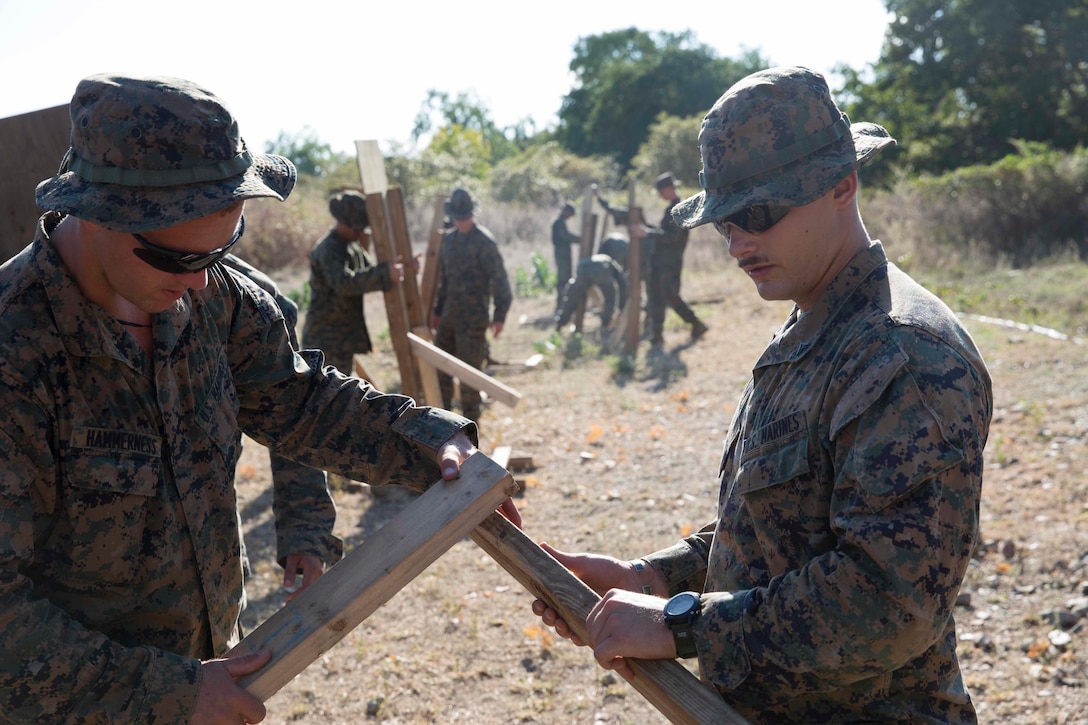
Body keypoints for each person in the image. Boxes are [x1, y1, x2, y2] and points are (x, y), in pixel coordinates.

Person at [0, 72, 519, 724]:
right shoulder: (16, 348)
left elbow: (302, 404)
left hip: (210, 666)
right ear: (99, 212)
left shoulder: (219, 296)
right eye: (175, 258)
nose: (197, 283)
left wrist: (430, 442)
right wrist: (169, 692)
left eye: (220, 249)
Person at [531, 66, 992, 724]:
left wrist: (681, 625)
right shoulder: (814, 322)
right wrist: (655, 578)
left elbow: (890, 603)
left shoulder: (906, 355)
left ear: (843, 183)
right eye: (724, 222)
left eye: (761, 212)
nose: (739, 241)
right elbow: (787, 522)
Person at [221, 253, 340, 599]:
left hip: (213, 589)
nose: (195, 276)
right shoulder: (54, 306)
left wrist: (305, 527)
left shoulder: (247, 298)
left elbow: (292, 415)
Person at [300, 190, 405, 375]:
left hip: (342, 338)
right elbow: (344, 283)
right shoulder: (328, 249)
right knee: (326, 398)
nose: (360, 233)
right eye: (356, 229)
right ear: (342, 223)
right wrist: (385, 273)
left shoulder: (352, 247)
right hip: (325, 340)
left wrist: (404, 266)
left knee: (339, 395)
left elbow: (371, 272)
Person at [430, 187, 512, 424]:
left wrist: (499, 316)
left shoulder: (484, 242)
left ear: (472, 215)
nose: (462, 221)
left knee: (470, 378)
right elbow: (444, 281)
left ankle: (470, 431)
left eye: (465, 217)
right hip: (449, 318)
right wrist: (437, 312)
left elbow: (500, 280)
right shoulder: (449, 241)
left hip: (474, 320)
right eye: (458, 217)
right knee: (441, 373)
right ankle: (443, 426)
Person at [640, 172, 708, 347]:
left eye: (661, 191)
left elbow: (672, 238)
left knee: (671, 297)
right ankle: (657, 334)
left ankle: (696, 324)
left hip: (670, 263)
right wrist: (648, 228)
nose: (660, 195)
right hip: (661, 261)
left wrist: (648, 233)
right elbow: (664, 233)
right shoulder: (672, 207)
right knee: (655, 296)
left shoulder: (680, 209)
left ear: (669, 189)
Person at [554, 240, 629, 332]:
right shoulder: (610, 262)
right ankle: (605, 326)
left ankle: (561, 321)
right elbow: (622, 284)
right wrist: (622, 305)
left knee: (571, 297)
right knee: (610, 298)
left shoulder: (596, 257)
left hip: (581, 269)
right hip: (601, 270)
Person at [551, 200, 580, 310]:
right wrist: (579, 239)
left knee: (566, 278)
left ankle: (563, 304)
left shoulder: (560, 222)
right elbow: (565, 236)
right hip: (561, 255)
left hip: (563, 254)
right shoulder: (558, 223)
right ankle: (561, 306)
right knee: (563, 280)